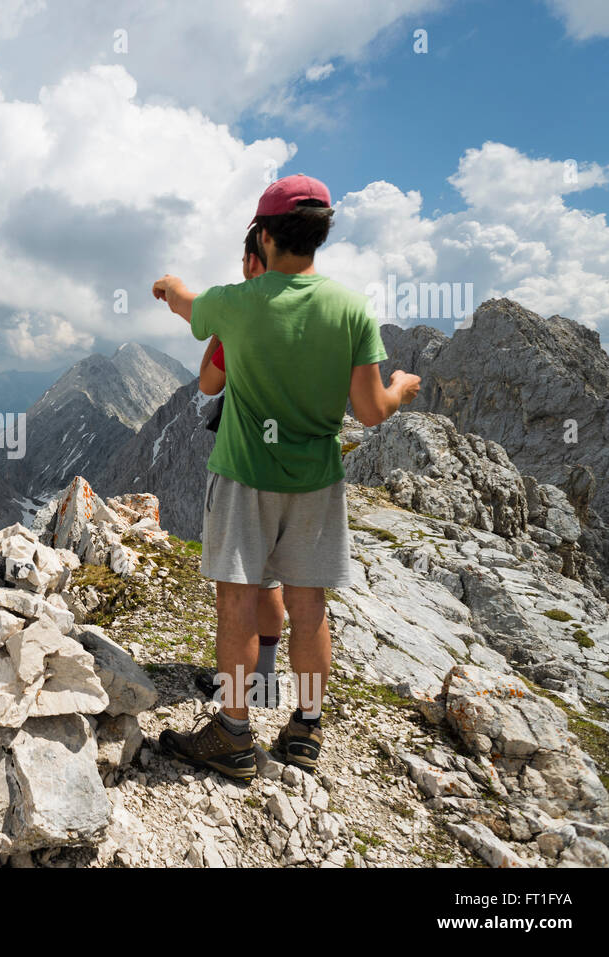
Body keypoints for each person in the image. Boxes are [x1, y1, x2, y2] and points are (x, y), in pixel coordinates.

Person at [150, 174, 421, 784]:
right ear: (319, 236)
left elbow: (188, 307)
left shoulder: (235, 303)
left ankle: (234, 734)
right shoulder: (351, 309)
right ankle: (304, 728)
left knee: (238, 599)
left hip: (246, 477)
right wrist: (402, 386)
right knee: (309, 603)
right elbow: (372, 411)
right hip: (317, 481)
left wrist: (168, 285)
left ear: (264, 237)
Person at [192, 225, 287, 709]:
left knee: (236, 588)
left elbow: (210, 382)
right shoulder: (319, 315)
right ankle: (266, 678)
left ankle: (233, 704)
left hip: (245, 467)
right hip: (297, 473)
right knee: (271, 579)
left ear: (254, 262)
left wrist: (218, 328)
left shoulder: (246, 318)